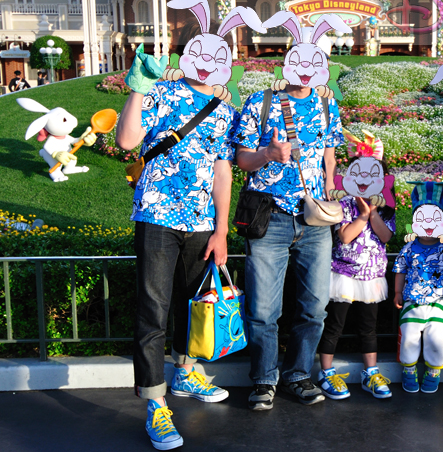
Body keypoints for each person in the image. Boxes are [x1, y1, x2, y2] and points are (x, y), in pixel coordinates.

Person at [115, 45, 237, 450]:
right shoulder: (162, 92)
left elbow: (223, 169)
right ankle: (155, 403)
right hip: (157, 216)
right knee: (154, 309)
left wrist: (221, 229)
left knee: (192, 303)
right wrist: (138, 86)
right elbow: (127, 140)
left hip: (201, 223)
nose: (208, 63)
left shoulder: (223, 110)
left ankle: (186, 371)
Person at [233, 79, 343, 411]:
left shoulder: (327, 105)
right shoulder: (260, 103)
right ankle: (264, 379)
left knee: (314, 307)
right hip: (270, 218)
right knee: (264, 310)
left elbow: (330, 156)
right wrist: (268, 153)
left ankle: (298, 375)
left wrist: (330, 189)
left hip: (313, 221)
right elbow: (242, 160)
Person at [316, 135, 396, 401]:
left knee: (368, 326)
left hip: (371, 275)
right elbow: (345, 236)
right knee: (335, 324)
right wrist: (362, 215)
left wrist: (372, 212)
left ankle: (370, 372)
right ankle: (326, 372)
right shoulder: (344, 203)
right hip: (344, 273)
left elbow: (385, 237)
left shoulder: (385, 207)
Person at [392, 183, 443, 395]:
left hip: (437, 304)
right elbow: (400, 268)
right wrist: (398, 292)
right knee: (408, 336)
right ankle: (408, 370)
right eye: (422, 218)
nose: (428, 224)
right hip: (412, 303)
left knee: (436, 338)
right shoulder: (408, 247)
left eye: (434, 219)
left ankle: (433, 372)